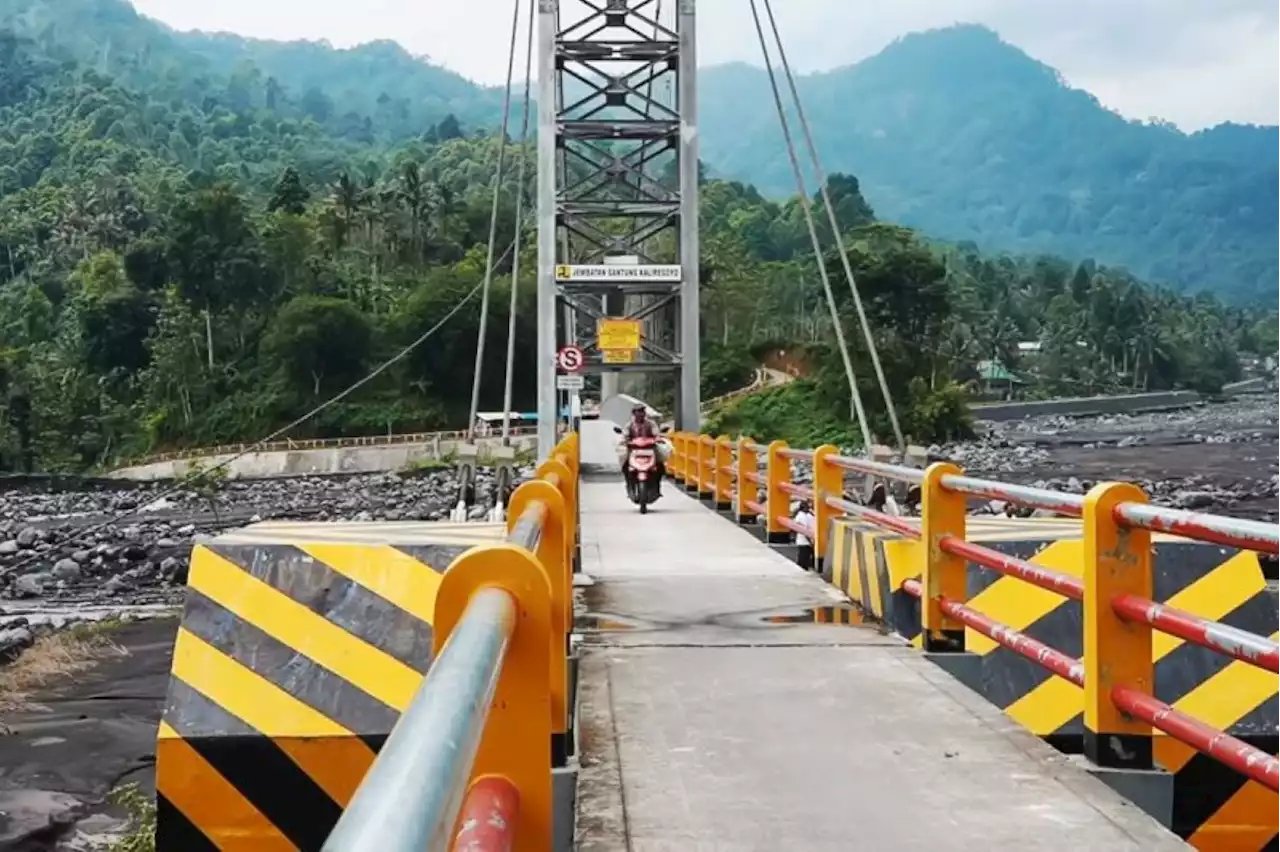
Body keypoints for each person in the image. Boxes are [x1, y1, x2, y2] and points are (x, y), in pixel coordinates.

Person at [617, 404, 666, 482]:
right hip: (633, 449)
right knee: (625, 462)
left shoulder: (651, 423)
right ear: (634, 413)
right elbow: (625, 434)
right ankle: (629, 484)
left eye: (642, 411)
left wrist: (658, 438)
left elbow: (656, 433)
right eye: (638, 411)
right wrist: (624, 440)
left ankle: (657, 485)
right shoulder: (629, 425)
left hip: (649, 448)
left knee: (660, 463)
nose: (641, 413)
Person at [793, 499, 815, 571]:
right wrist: (810, 541)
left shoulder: (804, 515)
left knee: (804, 557)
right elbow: (804, 530)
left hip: (802, 540)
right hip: (804, 541)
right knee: (804, 558)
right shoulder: (802, 516)